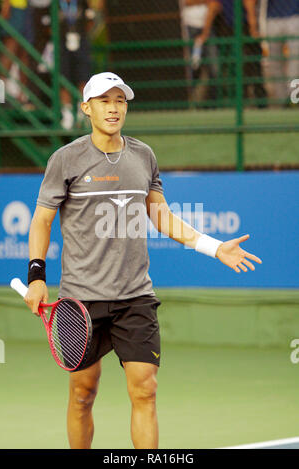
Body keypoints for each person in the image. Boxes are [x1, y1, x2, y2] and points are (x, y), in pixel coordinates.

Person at [24, 72, 262, 449]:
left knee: (146, 390)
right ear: (86, 108)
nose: (113, 107)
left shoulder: (143, 155)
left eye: (120, 100)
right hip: (80, 300)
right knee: (83, 394)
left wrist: (213, 246)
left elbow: (161, 215)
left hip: (134, 296)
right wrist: (37, 274)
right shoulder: (65, 159)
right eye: (104, 100)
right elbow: (42, 219)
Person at [198, 0, 268, 106]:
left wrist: (205, 32)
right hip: (237, 29)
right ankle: (247, 101)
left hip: (237, 28)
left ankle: (252, 100)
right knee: (246, 66)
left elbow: (214, 6)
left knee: (248, 65)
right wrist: (253, 28)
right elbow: (214, 6)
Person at [59, 0, 96, 129]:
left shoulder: (82, 3)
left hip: (81, 44)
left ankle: (82, 113)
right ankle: (67, 114)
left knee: (83, 77)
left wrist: (82, 34)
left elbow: (91, 21)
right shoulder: (56, 4)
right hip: (62, 45)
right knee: (63, 79)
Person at [181, 0, 218, 105]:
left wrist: (205, 32)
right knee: (193, 67)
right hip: (190, 26)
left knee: (214, 68)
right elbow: (186, 2)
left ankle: (213, 105)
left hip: (209, 26)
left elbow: (215, 4)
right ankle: (193, 104)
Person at [265, 0, 299, 105]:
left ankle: (293, 98)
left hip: (294, 16)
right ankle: (283, 100)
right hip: (273, 18)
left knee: (295, 61)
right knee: (275, 62)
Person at [0, 0, 30, 104]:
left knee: (23, 52)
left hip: (24, 8)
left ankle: (22, 95)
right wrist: (6, 4)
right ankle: (0, 95)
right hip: (14, 7)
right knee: (10, 48)